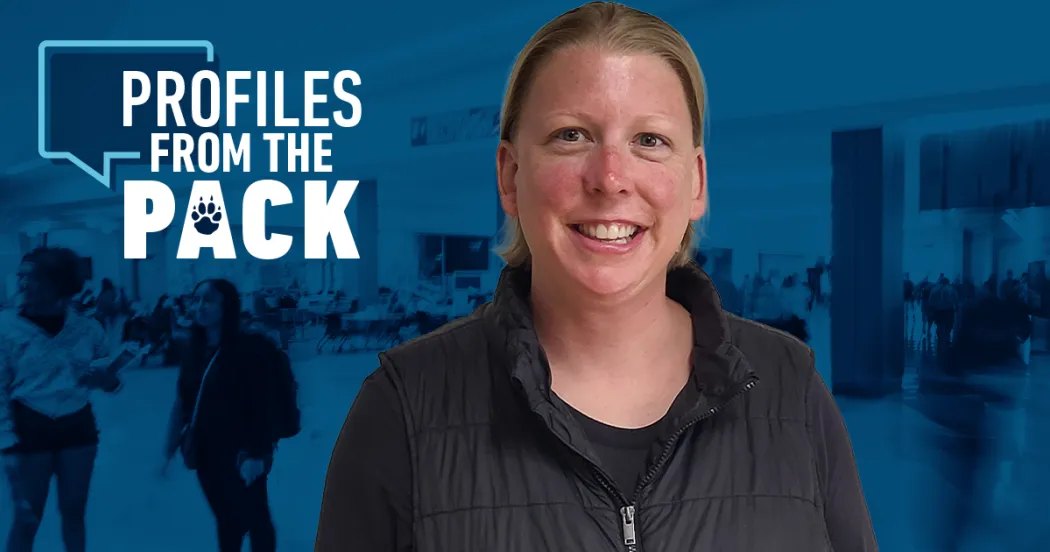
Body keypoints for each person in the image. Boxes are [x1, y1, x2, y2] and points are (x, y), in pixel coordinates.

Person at [315, 2, 877, 551]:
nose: (610, 178)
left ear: (697, 183)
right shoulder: (404, 408)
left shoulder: (789, 389)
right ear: (509, 176)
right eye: (571, 135)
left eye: (649, 141)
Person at [0, 247, 124, 552]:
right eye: (20, 277)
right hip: (27, 428)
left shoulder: (87, 329)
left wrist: (108, 381)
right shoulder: (6, 327)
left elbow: (111, 379)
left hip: (77, 426)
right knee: (27, 518)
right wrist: (6, 442)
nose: (22, 285)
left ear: (59, 285)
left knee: (73, 511)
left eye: (32, 279)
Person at [162, 279, 290, 552]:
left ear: (227, 306)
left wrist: (257, 453)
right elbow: (182, 401)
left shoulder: (250, 349)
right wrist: (168, 448)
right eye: (195, 300)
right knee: (226, 518)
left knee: (256, 516)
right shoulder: (193, 351)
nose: (199, 306)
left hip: (243, 450)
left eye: (208, 300)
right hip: (207, 451)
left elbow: (263, 403)